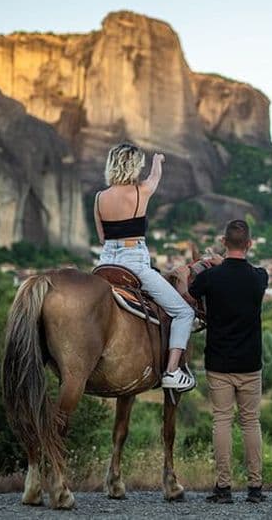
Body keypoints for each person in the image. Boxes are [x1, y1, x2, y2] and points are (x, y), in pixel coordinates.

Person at [175, 220, 268, 504]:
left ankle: (224, 488)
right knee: (251, 422)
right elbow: (244, 270)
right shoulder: (259, 277)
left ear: (223, 243)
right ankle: (255, 488)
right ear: (249, 244)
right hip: (250, 362)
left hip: (219, 362)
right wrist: (223, 262)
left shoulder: (211, 278)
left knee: (222, 422)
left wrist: (182, 276)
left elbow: (189, 295)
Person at [95, 142, 195, 391]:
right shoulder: (141, 192)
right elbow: (154, 178)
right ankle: (172, 372)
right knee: (184, 313)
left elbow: (101, 238)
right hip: (133, 264)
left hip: (106, 263)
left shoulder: (99, 198)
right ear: (134, 166)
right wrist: (157, 161)